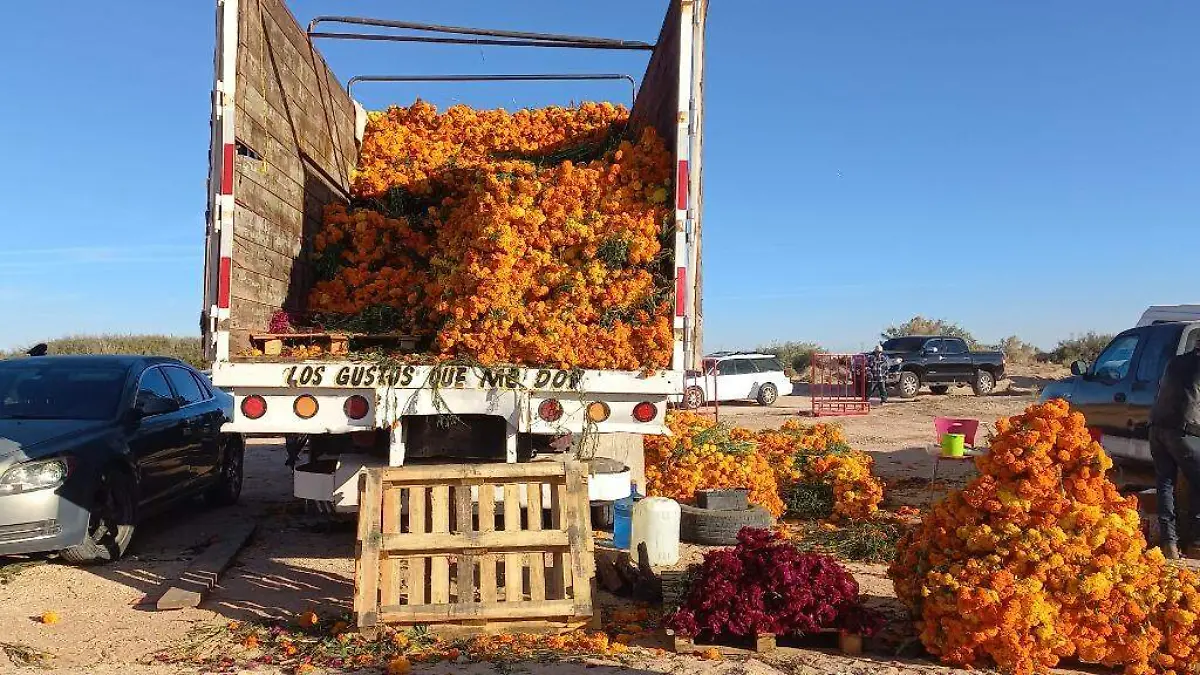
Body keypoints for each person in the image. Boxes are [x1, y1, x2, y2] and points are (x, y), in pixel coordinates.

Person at [1149, 339, 1200, 560]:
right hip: (1183, 431)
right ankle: (1196, 542)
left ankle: (1169, 542)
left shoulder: (1175, 362)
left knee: (1165, 483)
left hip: (1157, 428)